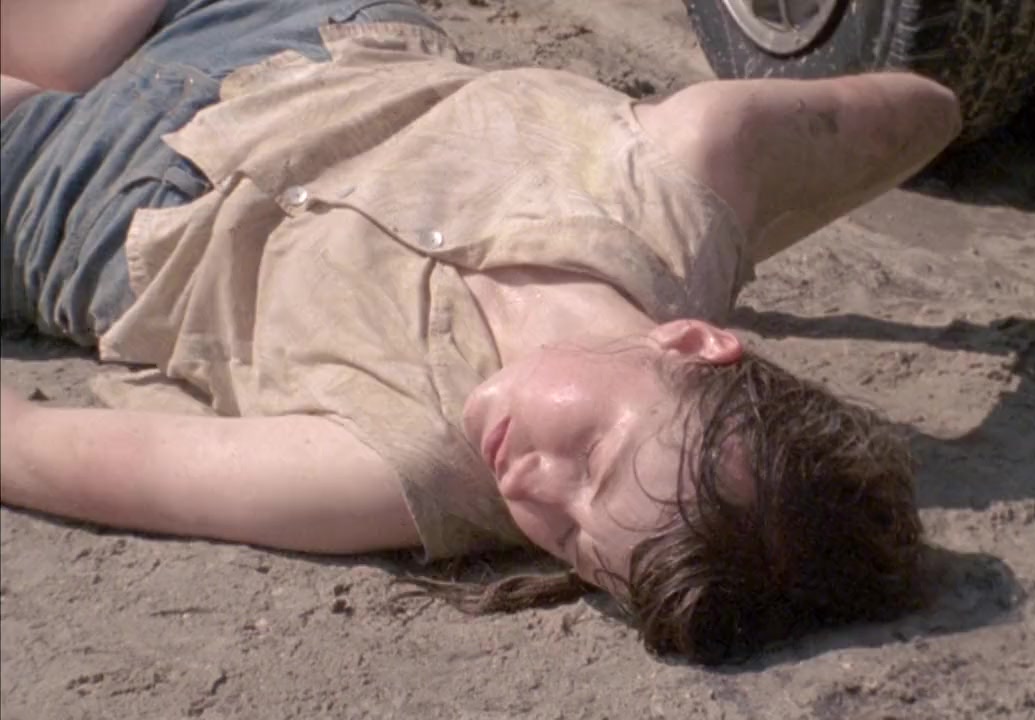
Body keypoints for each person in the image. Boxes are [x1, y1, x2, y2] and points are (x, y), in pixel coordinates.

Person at [0, 0, 961, 663]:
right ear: (693, 343)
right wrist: (739, 218)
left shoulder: (404, 467)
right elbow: (932, 112)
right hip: (311, 34)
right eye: (594, 459)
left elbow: (35, 448)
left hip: (95, 193)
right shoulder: (681, 172)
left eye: (570, 543)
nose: (530, 490)